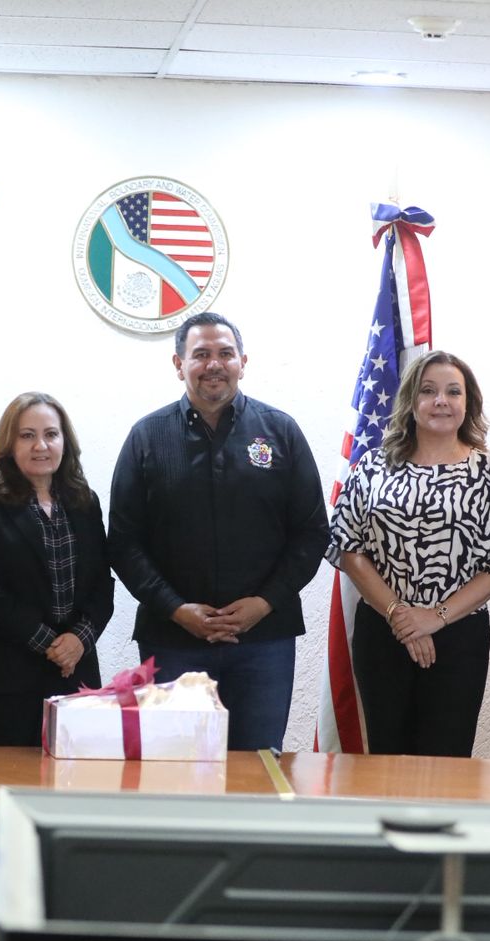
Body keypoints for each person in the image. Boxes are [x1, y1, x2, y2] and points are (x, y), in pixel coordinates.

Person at [108, 312, 328, 751]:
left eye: (225, 353)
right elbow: (124, 542)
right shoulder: (146, 437)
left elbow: (311, 533)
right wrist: (176, 609)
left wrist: (263, 604)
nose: (214, 364)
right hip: (173, 640)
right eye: (201, 354)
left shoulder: (280, 431)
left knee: (258, 768)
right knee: (176, 768)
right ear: (179, 365)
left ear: (243, 362)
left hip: (264, 640)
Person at [329, 350, 490, 757]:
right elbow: (348, 549)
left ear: (468, 402)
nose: (441, 401)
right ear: (410, 401)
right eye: (428, 391)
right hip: (383, 631)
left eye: (453, 392)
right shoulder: (372, 466)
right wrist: (401, 616)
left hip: (459, 635)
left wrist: (434, 618)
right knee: (386, 754)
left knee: (447, 758)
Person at [0, 393, 114, 745]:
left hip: (73, 674)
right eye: (27, 435)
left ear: (65, 442)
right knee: (0, 779)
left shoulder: (84, 502)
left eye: (51, 434)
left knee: (71, 778)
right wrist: (50, 643)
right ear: (9, 444)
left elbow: (102, 583)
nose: (41, 445)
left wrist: (79, 640)